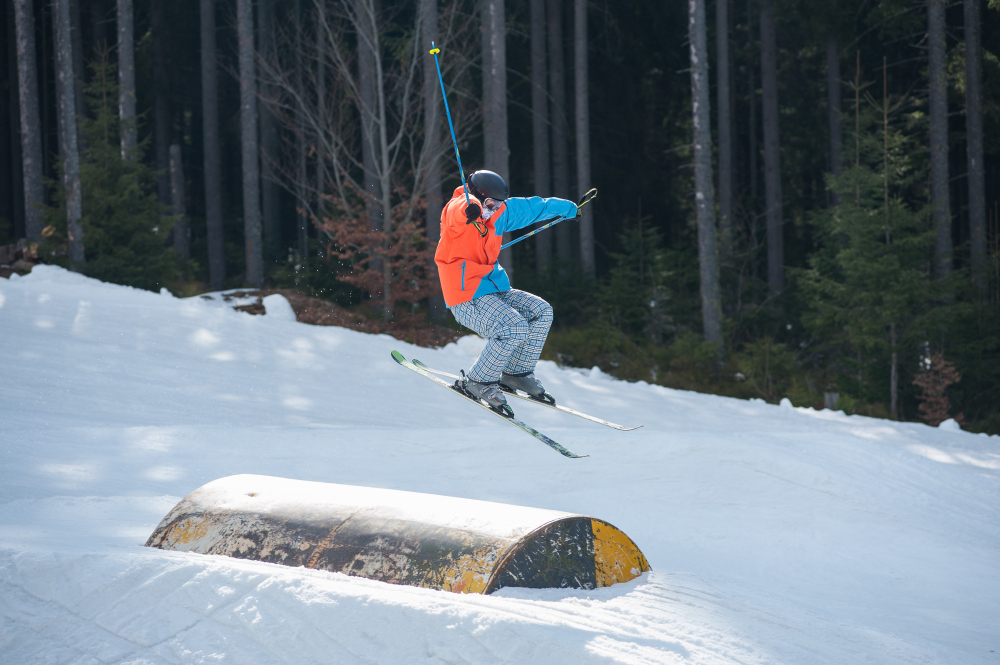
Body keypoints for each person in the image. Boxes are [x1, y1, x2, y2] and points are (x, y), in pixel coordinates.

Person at [434, 170, 578, 411]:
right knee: (513, 326)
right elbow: (458, 211)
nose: (494, 208)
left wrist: (567, 208)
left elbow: (533, 208)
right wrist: (471, 210)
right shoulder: (460, 207)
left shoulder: (499, 212)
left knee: (540, 311)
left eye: (498, 203)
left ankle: (516, 373)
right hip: (465, 293)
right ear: (477, 195)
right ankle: (478, 380)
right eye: (489, 203)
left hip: (493, 286)